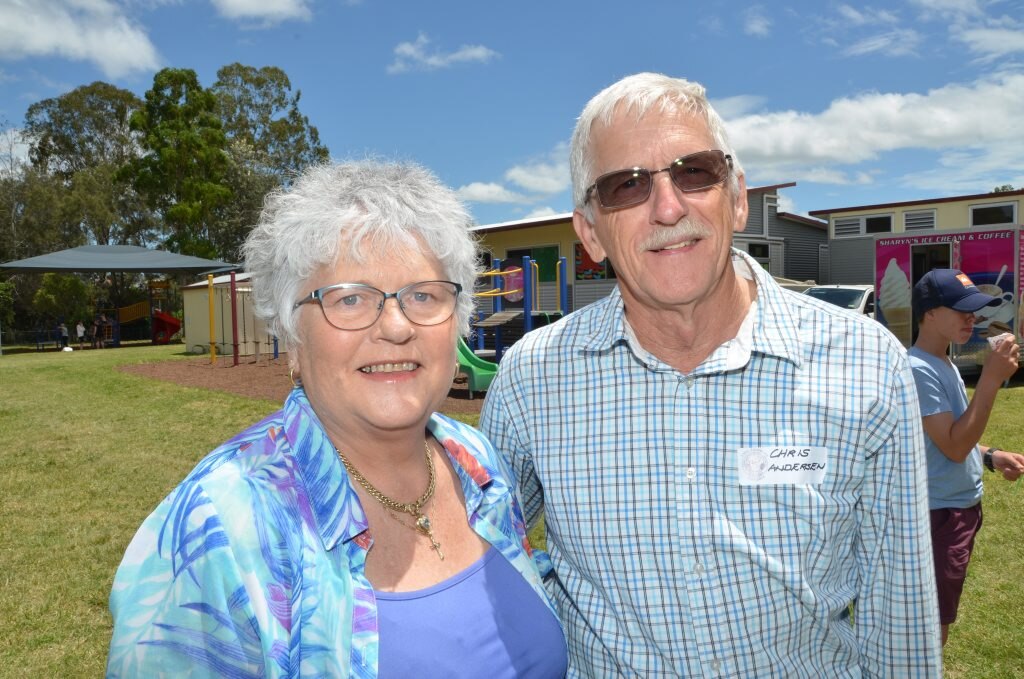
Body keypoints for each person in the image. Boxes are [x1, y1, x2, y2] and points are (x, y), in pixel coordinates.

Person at [479, 72, 942, 676]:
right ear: (591, 232)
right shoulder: (531, 378)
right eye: (627, 185)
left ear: (738, 196)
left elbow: (899, 610)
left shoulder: (866, 363)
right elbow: (479, 564)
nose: (669, 207)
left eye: (694, 171)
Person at [107, 160, 567, 677]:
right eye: (350, 298)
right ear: (293, 340)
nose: (396, 326)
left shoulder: (477, 462)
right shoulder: (218, 525)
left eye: (423, 295)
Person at [908, 269, 1024, 646]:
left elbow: (947, 440)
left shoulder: (944, 362)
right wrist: (990, 379)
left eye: (975, 310)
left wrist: (990, 456)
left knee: (938, 615)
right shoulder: (917, 368)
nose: (971, 318)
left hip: (956, 508)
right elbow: (954, 446)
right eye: (961, 310)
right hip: (940, 513)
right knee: (932, 625)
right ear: (929, 313)